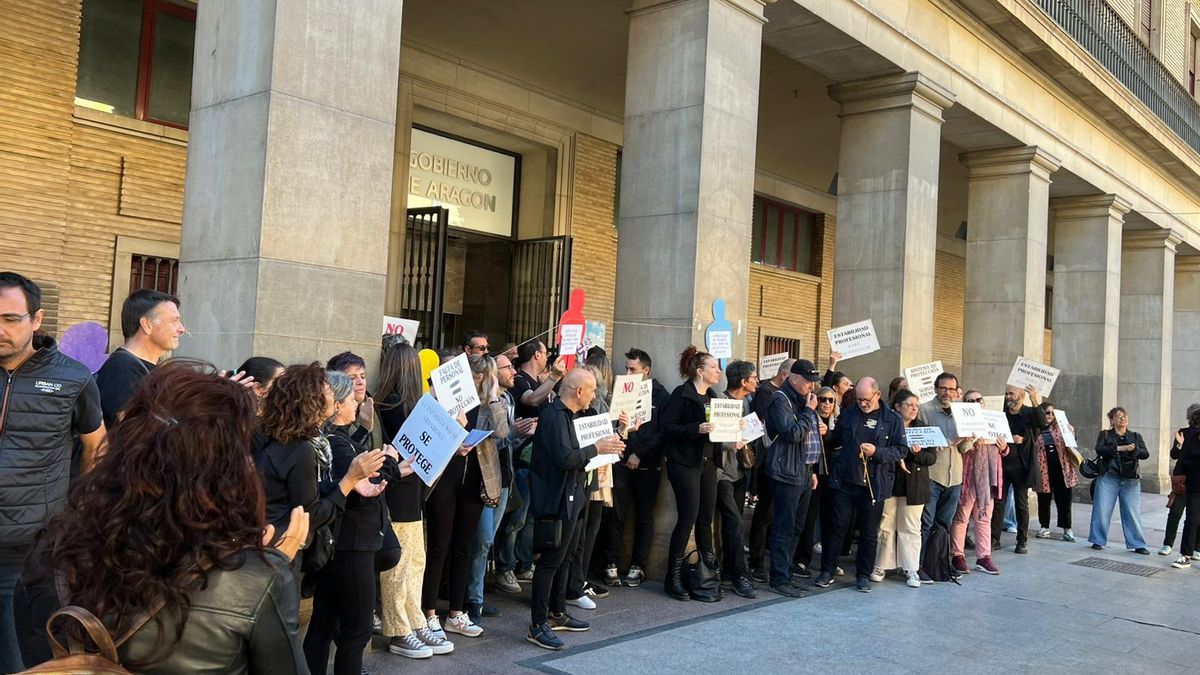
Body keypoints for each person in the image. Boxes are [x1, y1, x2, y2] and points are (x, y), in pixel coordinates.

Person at [15, 360, 309, 673]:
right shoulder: (255, 577)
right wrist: (269, 572)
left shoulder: (53, 550)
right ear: (227, 470)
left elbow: (40, 656)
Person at [0, 272, 105, 672]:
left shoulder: (72, 378)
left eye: (12, 319)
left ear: (37, 319)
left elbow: (96, 443)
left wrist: (75, 514)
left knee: (17, 660)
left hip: (26, 551)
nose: (1, 329)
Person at [303, 371, 397, 675]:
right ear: (336, 404)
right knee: (356, 631)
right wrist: (391, 463)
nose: (358, 399)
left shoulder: (335, 439)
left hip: (342, 543)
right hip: (352, 544)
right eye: (350, 396)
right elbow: (362, 487)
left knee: (324, 622)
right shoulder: (333, 443)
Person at [254, 364, 385, 576]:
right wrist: (350, 480)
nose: (333, 393)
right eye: (326, 390)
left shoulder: (292, 440)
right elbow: (310, 515)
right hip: (279, 555)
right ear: (311, 401)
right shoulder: (300, 448)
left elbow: (306, 493)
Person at [527, 368, 624, 651]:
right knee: (549, 561)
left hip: (574, 494)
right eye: (592, 390)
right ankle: (537, 624)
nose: (595, 395)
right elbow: (565, 458)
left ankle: (557, 611)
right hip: (555, 499)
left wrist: (616, 431)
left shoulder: (573, 416)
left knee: (567, 556)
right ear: (578, 391)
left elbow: (586, 443)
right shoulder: (555, 416)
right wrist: (597, 447)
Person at [374, 340, 454, 659]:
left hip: (408, 493)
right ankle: (399, 629)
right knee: (401, 565)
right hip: (400, 493)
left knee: (413, 561)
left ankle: (414, 620)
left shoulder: (397, 404)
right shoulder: (396, 406)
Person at [421, 354, 509, 639]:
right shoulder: (443, 399)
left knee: (464, 547)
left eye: (478, 375)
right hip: (445, 479)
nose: (474, 380)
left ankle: (457, 613)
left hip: (474, 481)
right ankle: (429, 612)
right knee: (439, 547)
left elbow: (503, 432)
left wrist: (494, 395)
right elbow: (429, 433)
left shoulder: (487, 404)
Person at [814, 377, 907, 593]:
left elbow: (901, 450)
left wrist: (877, 452)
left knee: (868, 532)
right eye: (859, 399)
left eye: (866, 399)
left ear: (878, 395)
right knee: (837, 527)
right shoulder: (850, 412)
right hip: (846, 479)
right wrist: (827, 434)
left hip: (873, 483)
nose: (862, 403)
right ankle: (827, 569)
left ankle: (863, 575)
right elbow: (838, 439)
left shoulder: (892, 419)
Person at [465, 351, 536, 622]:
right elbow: (498, 435)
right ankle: (474, 600)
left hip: (502, 478)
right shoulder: (482, 404)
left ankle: (477, 595)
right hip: (483, 479)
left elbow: (506, 439)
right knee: (482, 540)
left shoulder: (505, 400)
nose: (512, 374)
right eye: (502, 370)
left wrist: (519, 432)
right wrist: (496, 402)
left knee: (488, 540)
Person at [494, 340, 567, 593]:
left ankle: (524, 563)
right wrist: (554, 378)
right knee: (517, 518)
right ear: (537, 355)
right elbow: (533, 400)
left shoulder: (539, 380)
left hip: (540, 459)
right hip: (522, 459)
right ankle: (505, 568)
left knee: (530, 518)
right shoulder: (522, 381)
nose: (548, 357)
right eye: (546, 353)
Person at [659, 346, 723, 601]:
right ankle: (672, 578)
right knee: (688, 518)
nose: (718, 371)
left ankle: (708, 575)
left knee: (706, 518)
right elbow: (668, 427)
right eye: (713, 367)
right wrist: (695, 429)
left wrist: (732, 433)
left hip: (708, 463)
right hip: (684, 463)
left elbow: (716, 432)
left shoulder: (714, 395)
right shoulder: (682, 394)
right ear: (699, 371)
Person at [602, 348, 669, 587]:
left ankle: (638, 566)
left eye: (633, 369)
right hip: (620, 461)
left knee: (644, 517)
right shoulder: (620, 391)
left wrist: (640, 454)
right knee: (616, 514)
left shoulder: (660, 395)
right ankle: (610, 563)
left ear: (646, 371)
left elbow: (662, 432)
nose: (627, 372)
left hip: (647, 466)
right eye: (626, 368)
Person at [762, 359, 823, 598]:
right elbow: (793, 433)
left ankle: (786, 573)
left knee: (797, 528)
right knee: (783, 528)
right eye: (808, 382)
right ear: (794, 378)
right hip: (787, 473)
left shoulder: (802, 400)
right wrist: (808, 413)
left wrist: (813, 470)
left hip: (805, 473)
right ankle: (778, 578)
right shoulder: (780, 400)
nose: (812, 387)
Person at [872, 389, 936, 589]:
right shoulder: (888, 426)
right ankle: (881, 565)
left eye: (916, 405)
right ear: (897, 407)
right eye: (909, 405)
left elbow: (931, 458)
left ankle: (911, 568)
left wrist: (915, 454)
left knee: (910, 526)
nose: (914, 409)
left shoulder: (924, 428)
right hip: (890, 482)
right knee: (885, 524)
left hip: (914, 484)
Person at [95, 288, 185, 427]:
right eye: (174, 321)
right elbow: (134, 431)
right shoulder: (123, 367)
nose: (181, 329)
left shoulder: (149, 369)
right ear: (147, 325)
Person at [918, 372, 971, 581]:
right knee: (926, 523)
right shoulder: (925, 410)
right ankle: (919, 565)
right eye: (943, 388)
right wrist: (950, 440)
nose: (947, 392)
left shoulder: (962, 412)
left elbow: (964, 448)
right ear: (935, 388)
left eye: (951, 388)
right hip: (933, 476)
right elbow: (922, 442)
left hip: (955, 477)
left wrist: (969, 439)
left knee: (944, 525)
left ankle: (939, 564)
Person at [747, 357, 796, 581]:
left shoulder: (794, 397)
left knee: (779, 516)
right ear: (787, 376)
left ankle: (774, 560)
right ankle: (756, 561)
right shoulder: (769, 393)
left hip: (786, 464)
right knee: (764, 512)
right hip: (769, 459)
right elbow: (767, 423)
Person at [949, 391, 1008, 575]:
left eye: (978, 400)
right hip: (967, 476)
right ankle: (957, 555)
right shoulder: (961, 423)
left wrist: (1004, 446)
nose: (975, 403)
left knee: (984, 518)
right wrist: (970, 441)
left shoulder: (994, 421)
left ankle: (984, 556)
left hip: (986, 479)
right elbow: (958, 449)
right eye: (970, 401)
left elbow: (1005, 452)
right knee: (961, 518)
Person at [715, 360, 758, 598]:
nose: (756, 381)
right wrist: (730, 440)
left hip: (741, 471)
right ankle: (737, 574)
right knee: (733, 523)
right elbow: (714, 437)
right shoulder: (721, 402)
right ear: (743, 382)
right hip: (723, 474)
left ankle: (730, 572)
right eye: (754, 378)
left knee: (734, 523)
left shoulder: (746, 402)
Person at [990, 384, 1048, 554]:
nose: (1008, 397)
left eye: (1012, 393)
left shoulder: (1029, 413)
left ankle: (1022, 541)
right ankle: (994, 539)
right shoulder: (1001, 413)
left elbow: (1042, 422)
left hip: (1021, 466)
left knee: (1021, 504)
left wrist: (1035, 399)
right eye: (1006, 393)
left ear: (1021, 396)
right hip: (1002, 463)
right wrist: (1009, 438)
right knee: (998, 503)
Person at [1087, 407, 1151, 554]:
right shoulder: (1105, 434)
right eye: (1119, 416)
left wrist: (1133, 450)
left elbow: (1145, 453)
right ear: (1112, 420)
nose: (1123, 419)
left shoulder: (1135, 436)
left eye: (1125, 416)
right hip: (1109, 476)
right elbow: (1100, 449)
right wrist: (1121, 448)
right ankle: (1098, 540)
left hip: (1131, 479)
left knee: (1132, 511)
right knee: (1102, 508)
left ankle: (1137, 543)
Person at [1033, 401, 1079, 542]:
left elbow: (1072, 443)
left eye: (1053, 413)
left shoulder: (1061, 427)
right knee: (1044, 499)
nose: (1050, 415)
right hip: (1043, 469)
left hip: (1062, 469)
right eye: (1047, 412)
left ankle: (1067, 529)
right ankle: (1044, 527)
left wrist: (1072, 432)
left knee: (1064, 500)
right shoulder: (1036, 429)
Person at [1161, 403, 1200, 557]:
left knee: (1195, 516)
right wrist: (1179, 444)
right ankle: (1168, 544)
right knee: (1175, 512)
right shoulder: (1183, 433)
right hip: (1182, 480)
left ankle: (1197, 547)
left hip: (1197, 481)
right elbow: (1174, 455)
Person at [327, 351, 376, 457]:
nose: (360, 382)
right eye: (352, 378)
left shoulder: (370, 406)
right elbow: (347, 453)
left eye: (362, 376)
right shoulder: (332, 419)